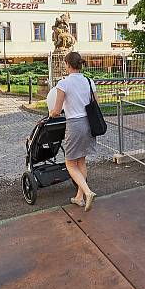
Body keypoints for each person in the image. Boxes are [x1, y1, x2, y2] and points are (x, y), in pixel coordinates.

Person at [48, 51, 98, 212]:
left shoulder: (64, 83)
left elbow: (56, 110)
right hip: (89, 124)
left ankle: (88, 192)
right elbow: (96, 103)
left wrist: (52, 113)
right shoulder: (89, 81)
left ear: (68, 65)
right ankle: (79, 197)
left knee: (70, 163)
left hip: (75, 125)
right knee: (81, 161)